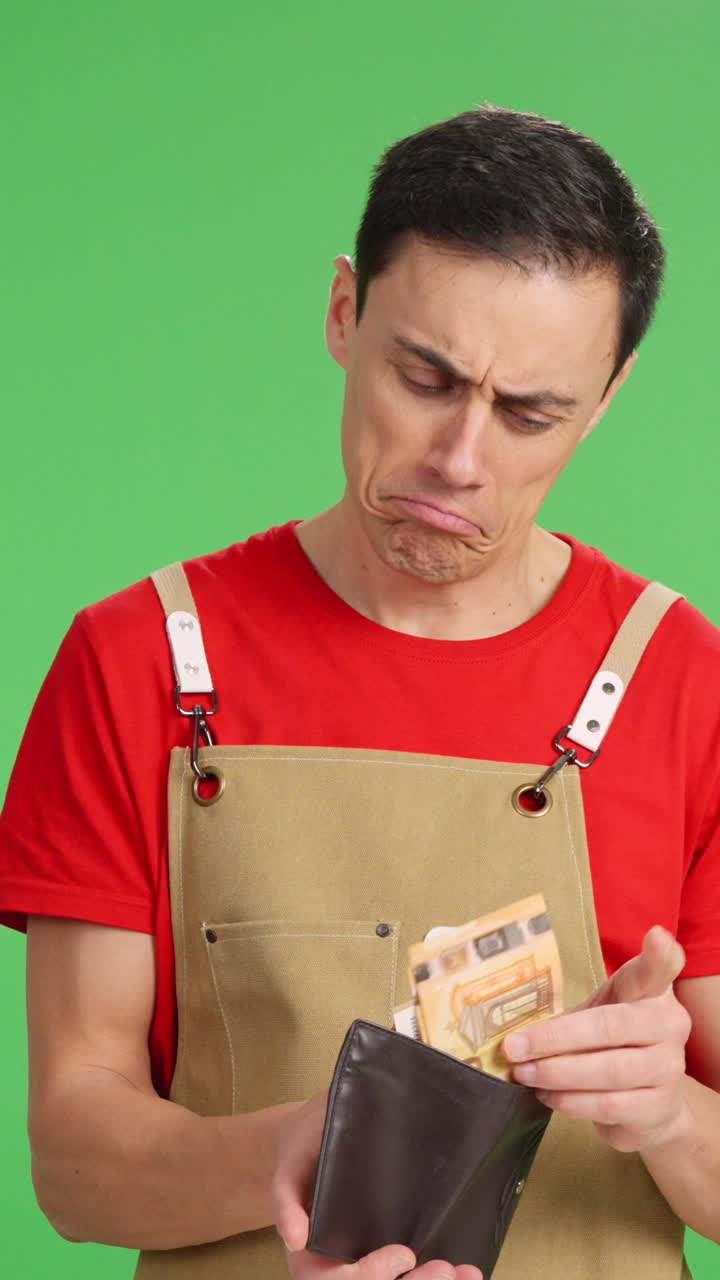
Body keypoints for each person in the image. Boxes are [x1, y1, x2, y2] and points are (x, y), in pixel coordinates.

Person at [1, 103, 719, 1280]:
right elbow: (73, 1160)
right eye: (426, 376)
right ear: (344, 311)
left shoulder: (686, 681)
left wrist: (673, 1111)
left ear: (611, 393)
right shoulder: (136, 659)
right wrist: (302, 1153)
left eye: (531, 412)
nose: (460, 459)